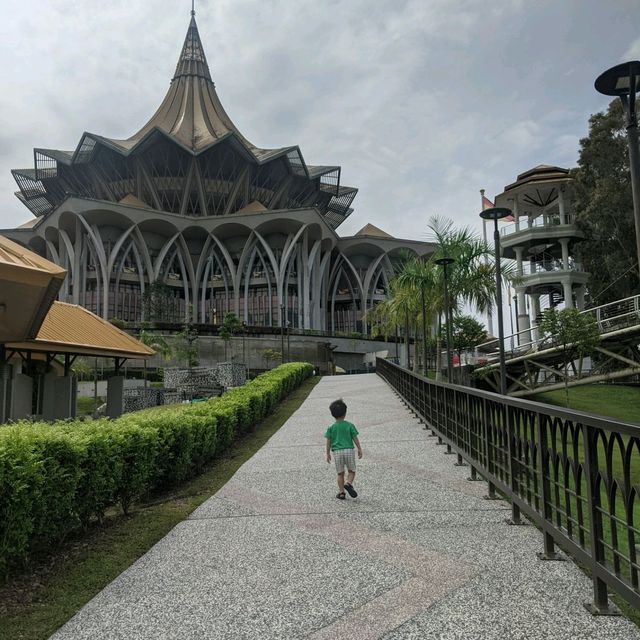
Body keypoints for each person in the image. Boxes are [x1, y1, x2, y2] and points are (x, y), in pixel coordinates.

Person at [324, 398, 362, 500]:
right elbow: (355, 438)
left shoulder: (331, 427)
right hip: (349, 450)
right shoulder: (349, 425)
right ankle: (348, 483)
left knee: (340, 473)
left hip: (337, 452)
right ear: (345, 413)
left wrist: (327, 453)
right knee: (351, 471)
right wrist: (359, 449)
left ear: (332, 414)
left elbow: (328, 441)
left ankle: (341, 493)